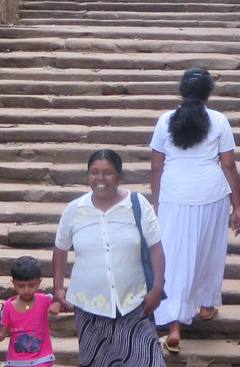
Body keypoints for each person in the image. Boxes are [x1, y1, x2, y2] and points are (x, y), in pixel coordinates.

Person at [150, 68, 240, 353]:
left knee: (173, 256)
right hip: (212, 194)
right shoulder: (219, 120)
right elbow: (228, 165)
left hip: (174, 194)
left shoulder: (165, 120)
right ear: (208, 93)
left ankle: (174, 325)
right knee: (208, 250)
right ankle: (205, 306)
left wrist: (156, 201)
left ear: (182, 91)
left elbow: (156, 167)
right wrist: (237, 206)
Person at [52, 150, 165, 367]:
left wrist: (157, 288)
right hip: (89, 307)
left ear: (119, 177)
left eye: (107, 173)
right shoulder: (74, 210)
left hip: (133, 303)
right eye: (94, 172)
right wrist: (58, 287)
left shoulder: (137, 204)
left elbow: (156, 248)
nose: (100, 179)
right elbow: (60, 248)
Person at [0, 256, 57, 367]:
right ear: (14, 283)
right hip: (16, 362)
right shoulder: (7, 307)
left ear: (39, 282)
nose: (26, 290)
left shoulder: (45, 300)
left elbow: (62, 303)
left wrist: (58, 304)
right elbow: (1, 334)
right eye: (21, 286)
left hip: (42, 360)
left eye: (31, 285)